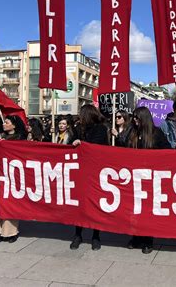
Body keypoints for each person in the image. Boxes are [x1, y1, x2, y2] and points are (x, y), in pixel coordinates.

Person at [122, 106, 171, 253]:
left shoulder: (156, 133)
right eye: (134, 118)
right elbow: (123, 150)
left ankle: (148, 240)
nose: (135, 121)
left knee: (148, 210)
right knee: (135, 209)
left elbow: (167, 151)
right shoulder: (131, 132)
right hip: (134, 178)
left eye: (137, 118)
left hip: (150, 179)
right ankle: (136, 236)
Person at [71, 105, 109, 251]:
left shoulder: (100, 129)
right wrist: (74, 143)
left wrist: (84, 144)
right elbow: (71, 143)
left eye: (81, 114)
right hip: (80, 172)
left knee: (94, 204)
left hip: (95, 172)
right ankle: (78, 234)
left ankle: (95, 236)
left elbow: (98, 147)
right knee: (79, 205)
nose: (79, 116)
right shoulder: (78, 129)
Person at [0, 115, 27, 244]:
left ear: (14, 125)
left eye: (6, 122)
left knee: (11, 204)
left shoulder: (21, 139)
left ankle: (11, 232)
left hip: (13, 176)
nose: (3, 124)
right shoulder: (0, 137)